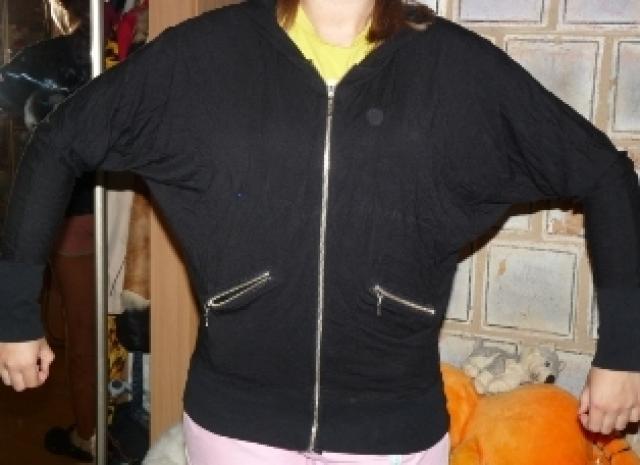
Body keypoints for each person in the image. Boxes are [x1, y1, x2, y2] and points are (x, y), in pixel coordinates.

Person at [1, 0, 639, 464]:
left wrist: (624, 352)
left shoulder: (452, 66)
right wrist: (16, 314)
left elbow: (604, 174)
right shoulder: (203, 56)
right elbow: (61, 141)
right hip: (237, 427)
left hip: (392, 432)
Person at [0, 0, 96, 461]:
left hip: (70, 213)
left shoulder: (44, 60)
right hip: (131, 203)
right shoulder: (129, 52)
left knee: (84, 332)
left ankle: (89, 434)